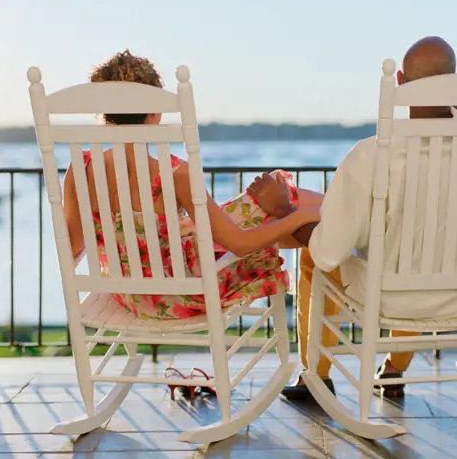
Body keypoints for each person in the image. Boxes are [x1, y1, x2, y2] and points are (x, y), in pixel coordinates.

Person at [247, 36, 457, 400]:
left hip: (394, 298)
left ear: (399, 82)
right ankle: (393, 371)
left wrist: (285, 211)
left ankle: (317, 378)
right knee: (423, 252)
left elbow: (329, 252)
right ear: (454, 85)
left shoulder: (372, 156)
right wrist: (446, 93)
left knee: (315, 258)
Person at [63, 49, 321, 323]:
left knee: (235, 216)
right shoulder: (175, 174)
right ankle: (324, 220)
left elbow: (73, 246)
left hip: (127, 295)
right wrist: (298, 216)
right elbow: (240, 245)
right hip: (180, 299)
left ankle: (306, 216)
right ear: (155, 114)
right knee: (277, 204)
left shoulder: (81, 169)